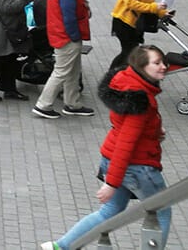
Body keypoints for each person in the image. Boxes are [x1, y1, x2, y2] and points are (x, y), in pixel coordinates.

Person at [41, 45, 172, 250]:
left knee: (109, 210)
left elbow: (126, 131)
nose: (163, 67)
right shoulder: (139, 100)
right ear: (142, 67)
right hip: (138, 167)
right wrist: (111, 184)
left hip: (112, 160)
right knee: (161, 211)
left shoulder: (126, 84)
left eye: (163, 62)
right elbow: (126, 144)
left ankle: (61, 246)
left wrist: (154, 131)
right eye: (157, 63)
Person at [33, 0, 96, 119]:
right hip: (67, 38)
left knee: (73, 71)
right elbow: (69, 18)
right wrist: (75, 37)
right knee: (61, 71)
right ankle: (43, 105)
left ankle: (72, 103)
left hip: (59, 34)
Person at [109, 0, 169, 72]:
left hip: (133, 22)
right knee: (129, 51)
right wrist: (155, 7)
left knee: (130, 51)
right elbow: (132, 3)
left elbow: (148, 3)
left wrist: (163, 12)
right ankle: (115, 73)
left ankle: (118, 72)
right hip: (124, 22)